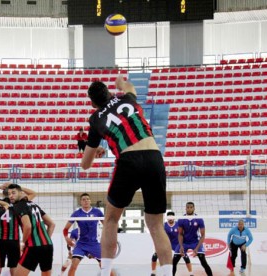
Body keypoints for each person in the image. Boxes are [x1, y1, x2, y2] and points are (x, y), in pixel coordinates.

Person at [81, 76, 172, 276]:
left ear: (93, 104)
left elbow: (85, 165)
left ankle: (105, 273)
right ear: (110, 93)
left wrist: (94, 152)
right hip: (154, 156)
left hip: (128, 160)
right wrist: (120, 82)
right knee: (156, 224)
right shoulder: (128, 99)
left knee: (111, 219)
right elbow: (129, 86)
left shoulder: (95, 119)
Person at [0, 183, 37, 275]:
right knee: (14, 266)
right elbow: (33, 193)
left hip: (0, 240)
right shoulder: (18, 204)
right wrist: (17, 188)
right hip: (14, 240)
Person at [8, 184, 55, 276]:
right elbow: (51, 224)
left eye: (13, 193)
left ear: (21, 193)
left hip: (33, 247)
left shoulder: (18, 205)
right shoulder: (34, 205)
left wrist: (22, 242)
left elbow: (28, 226)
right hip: (48, 246)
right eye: (9, 193)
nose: (10, 196)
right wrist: (45, 240)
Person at [63, 193, 110, 276]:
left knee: (104, 266)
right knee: (73, 266)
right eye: (83, 199)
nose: (86, 201)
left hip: (94, 244)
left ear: (90, 201)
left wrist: (107, 238)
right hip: (81, 244)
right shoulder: (76, 213)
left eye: (88, 199)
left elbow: (106, 226)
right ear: (80, 202)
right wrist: (66, 238)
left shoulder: (97, 212)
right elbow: (65, 229)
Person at [174, 202, 212, 276]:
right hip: (184, 242)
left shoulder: (199, 219)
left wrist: (197, 249)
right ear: (185, 208)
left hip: (195, 242)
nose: (189, 209)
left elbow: (203, 235)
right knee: (174, 261)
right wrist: (181, 246)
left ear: (194, 208)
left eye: (191, 207)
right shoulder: (181, 219)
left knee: (203, 262)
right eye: (188, 207)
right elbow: (180, 234)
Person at [151, 211, 193, 276]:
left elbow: (182, 235)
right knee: (154, 256)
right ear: (167, 218)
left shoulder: (178, 225)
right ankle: (153, 272)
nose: (170, 218)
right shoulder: (163, 225)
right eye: (169, 217)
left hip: (176, 245)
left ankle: (191, 273)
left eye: (172, 217)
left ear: (174, 218)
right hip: (166, 244)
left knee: (185, 256)